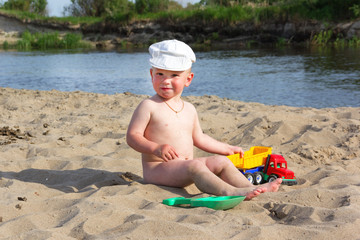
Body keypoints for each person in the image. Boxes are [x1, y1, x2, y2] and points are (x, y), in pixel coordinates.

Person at [126, 39, 282, 200]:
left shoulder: (189, 109)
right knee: (194, 165)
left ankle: (249, 187)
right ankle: (229, 191)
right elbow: (132, 137)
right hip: (158, 170)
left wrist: (226, 149)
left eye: (174, 75)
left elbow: (199, 138)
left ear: (188, 79)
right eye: (160, 74)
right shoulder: (149, 105)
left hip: (185, 169)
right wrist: (156, 148)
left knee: (221, 162)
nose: (166, 80)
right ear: (151, 74)